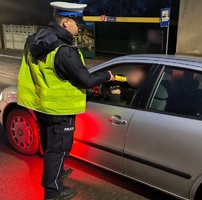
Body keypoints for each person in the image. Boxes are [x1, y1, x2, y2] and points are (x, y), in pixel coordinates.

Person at [16, 2, 115, 200]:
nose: (80, 27)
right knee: (58, 150)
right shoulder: (64, 49)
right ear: (66, 21)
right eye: (77, 23)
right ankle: (53, 192)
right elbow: (85, 79)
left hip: (41, 105)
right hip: (60, 111)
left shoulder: (35, 41)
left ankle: (57, 172)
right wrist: (107, 76)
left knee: (50, 147)